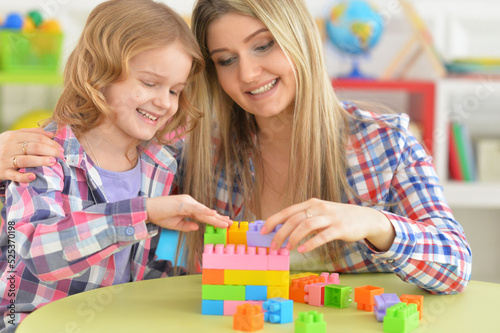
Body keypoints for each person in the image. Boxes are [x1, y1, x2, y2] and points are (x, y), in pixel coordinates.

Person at [0, 0, 471, 298]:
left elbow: (455, 266)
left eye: (264, 46)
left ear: (299, 40)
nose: (247, 74)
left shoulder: (383, 143)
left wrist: (372, 222)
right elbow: (105, 135)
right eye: (226, 60)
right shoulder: (194, 149)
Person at [0, 0, 231, 331]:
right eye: (150, 83)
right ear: (98, 71)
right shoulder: (43, 154)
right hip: (32, 323)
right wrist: (143, 212)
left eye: (175, 90)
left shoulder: (160, 161)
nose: (165, 102)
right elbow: (39, 253)